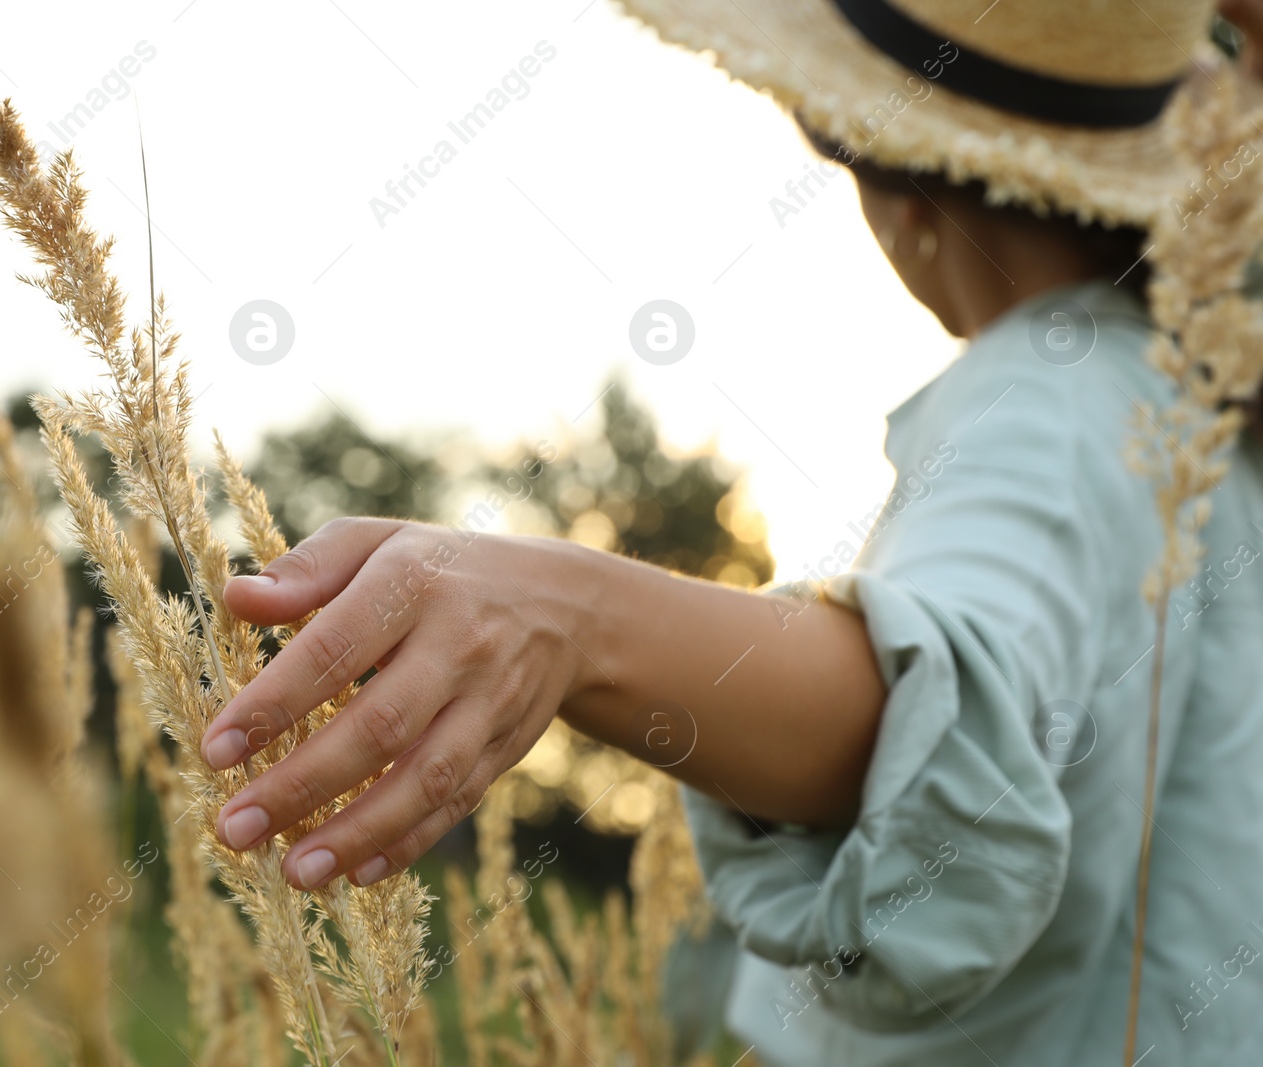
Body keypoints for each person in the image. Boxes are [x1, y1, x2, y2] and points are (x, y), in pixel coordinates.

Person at [199, 0, 1263, 1061]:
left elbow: (927, 705)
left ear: (904, 194)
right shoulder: (1192, 416)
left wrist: (573, 614)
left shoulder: (1055, 395)